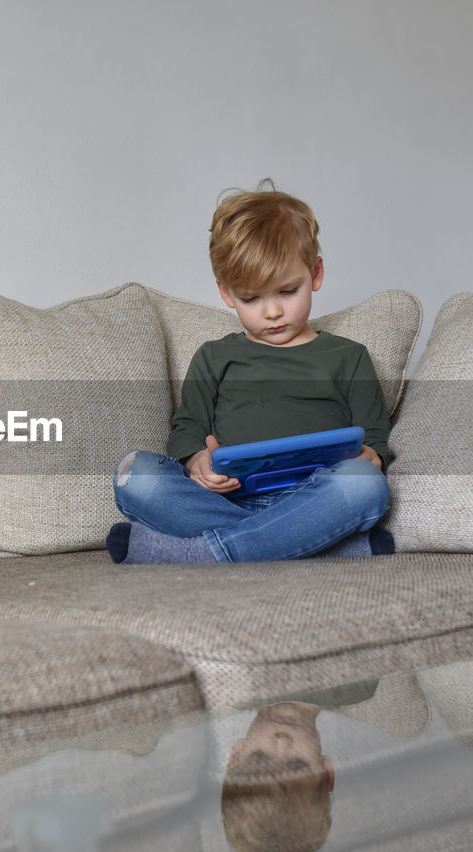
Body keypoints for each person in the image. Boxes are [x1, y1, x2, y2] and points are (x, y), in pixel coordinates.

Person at [107, 181, 393, 564]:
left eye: (288, 291)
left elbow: (375, 441)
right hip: (223, 499)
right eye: (251, 299)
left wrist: (370, 457)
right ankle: (307, 547)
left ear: (316, 273)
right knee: (133, 474)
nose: (272, 312)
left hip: (311, 498)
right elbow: (187, 428)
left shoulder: (349, 357)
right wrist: (196, 462)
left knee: (365, 485)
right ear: (226, 294)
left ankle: (190, 552)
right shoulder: (214, 356)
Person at [220, 701, 335, 852]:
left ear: (235, 756)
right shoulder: (358, 685)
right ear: (326, 773)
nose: (282, 741)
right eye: (298, 765)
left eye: (260, 758)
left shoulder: (228, 687)